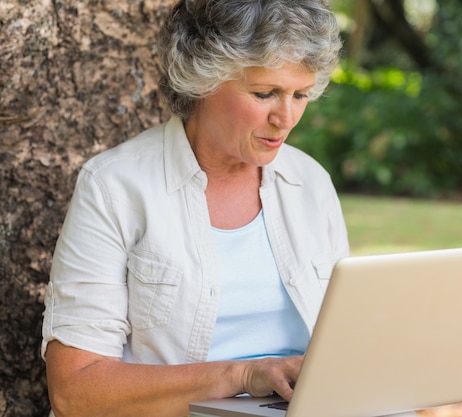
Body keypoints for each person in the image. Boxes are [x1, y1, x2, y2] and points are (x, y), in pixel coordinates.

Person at [41, 0, 348, 416]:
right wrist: (242, 376)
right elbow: (75, 391)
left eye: (301, 94)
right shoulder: (115, 186)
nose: (287, 117)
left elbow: (346, 340)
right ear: (202, 79)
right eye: (265, 93)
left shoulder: (310, 182)